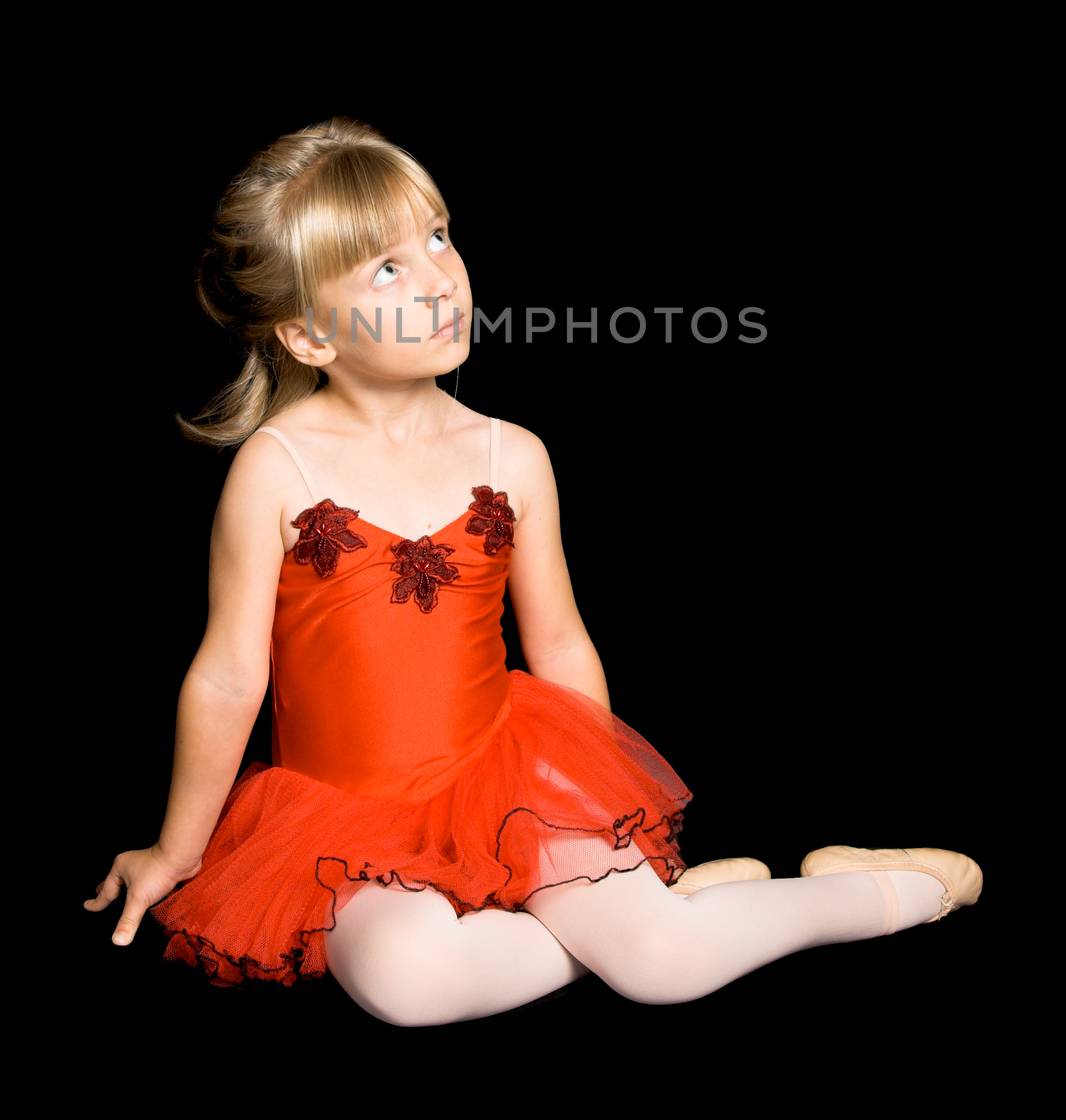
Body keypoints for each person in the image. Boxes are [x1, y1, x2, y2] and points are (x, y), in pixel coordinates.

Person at [84, 115, 983, 1024]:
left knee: (664, 965)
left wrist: (608, 827)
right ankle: (681, 918)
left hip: (505, 778)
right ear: (310, 337)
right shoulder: (278, 466)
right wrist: (176, 847)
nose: (439, 280)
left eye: (438, 238)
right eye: (387, 270)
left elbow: (558, 646)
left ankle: (902, 890)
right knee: (408, 985)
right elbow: (231, 673)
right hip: (346, 821)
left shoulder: (511, 456)